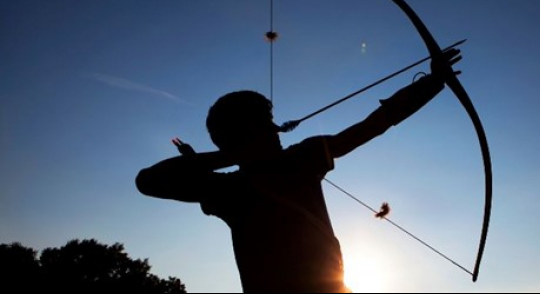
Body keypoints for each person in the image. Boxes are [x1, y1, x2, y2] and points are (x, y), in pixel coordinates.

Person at [135, 48, 462, 293]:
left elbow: (372, 126)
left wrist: (430, 84)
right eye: (265, 125)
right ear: (245, 134)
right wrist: (230, 156)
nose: (276, 129)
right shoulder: (229, 190)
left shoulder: (300, 157)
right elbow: (147, 181)